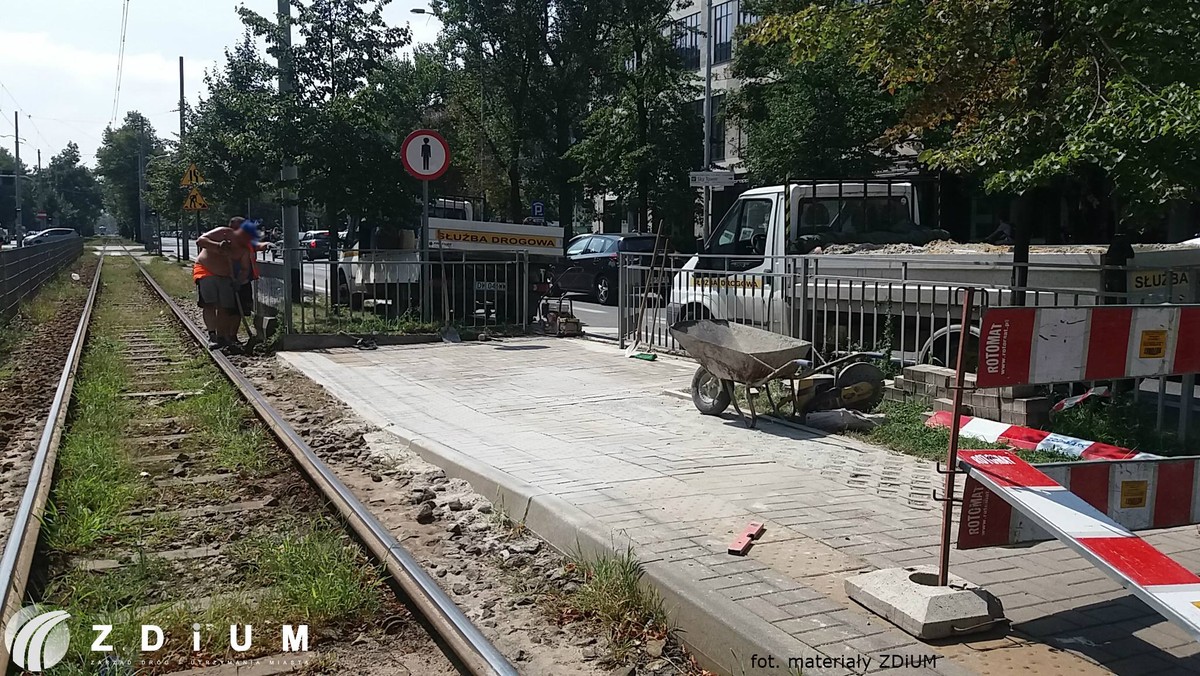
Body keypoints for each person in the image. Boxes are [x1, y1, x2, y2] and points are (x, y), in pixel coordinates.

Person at [194, 217, 260, 351]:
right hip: (206, 270)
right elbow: (200, 241)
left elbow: (245, 269)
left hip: (226, 276)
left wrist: (239, 281)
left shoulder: (244, 249)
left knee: (225, 307)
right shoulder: (222, 233)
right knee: (210, 303)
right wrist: (218, 246)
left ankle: (222, 337)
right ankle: (212, 334)